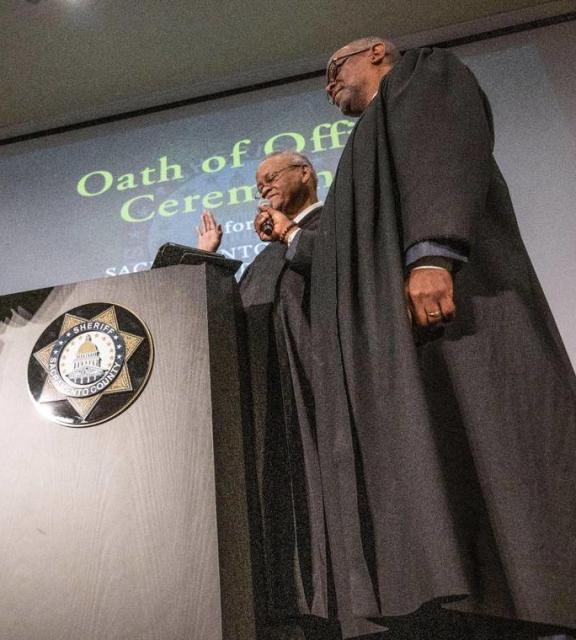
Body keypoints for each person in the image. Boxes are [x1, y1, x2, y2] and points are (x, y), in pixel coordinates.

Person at [251, 37, 576, 638]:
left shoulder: (423, 78)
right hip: (411, 348)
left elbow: (445, 153)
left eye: (335, 68)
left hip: (460, 315)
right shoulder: (366, 140)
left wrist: (432, 256)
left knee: (502, 463)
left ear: (379, 52)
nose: (328, 83)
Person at [198, 151, 345, 639]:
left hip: (315, 390)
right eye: (258, 184)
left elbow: (342, 273)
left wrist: (287, 233)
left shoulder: (333, 222)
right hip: (266, 402)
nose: (263, 189)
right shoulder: (264, 255)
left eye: (271, 178)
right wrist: (210, 263)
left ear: (305, 172)